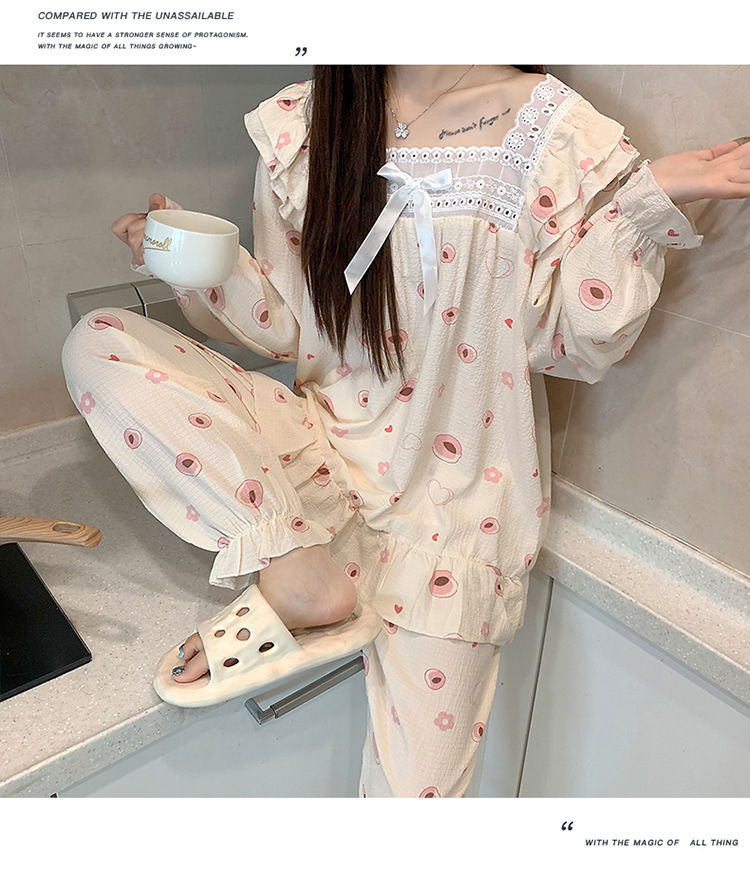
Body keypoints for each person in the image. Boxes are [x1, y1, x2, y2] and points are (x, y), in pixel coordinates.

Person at [62, 65, 750, 798]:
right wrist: (187, 257)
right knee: (97, 343)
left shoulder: (557, 134)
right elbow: (288, 322)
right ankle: (292, 564)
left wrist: (640, 208)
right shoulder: (310, 123)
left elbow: (569, 343)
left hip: (453, 522)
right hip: (314, 465)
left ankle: (302, 572)